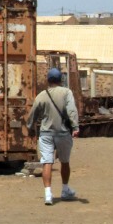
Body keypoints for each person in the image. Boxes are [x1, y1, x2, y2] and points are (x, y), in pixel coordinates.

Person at [27, 67, 80, 205]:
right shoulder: (66, 92)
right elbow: (71, 110)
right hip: (63, 133)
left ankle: (48, 194)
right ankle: (65, 189)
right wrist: (75, 127)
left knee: (47, 162)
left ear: (48, 80)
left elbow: (33, 114)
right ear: (60, 80)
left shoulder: (41, 95)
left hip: (45, 134)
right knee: (64, 161)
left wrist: (30, 128)